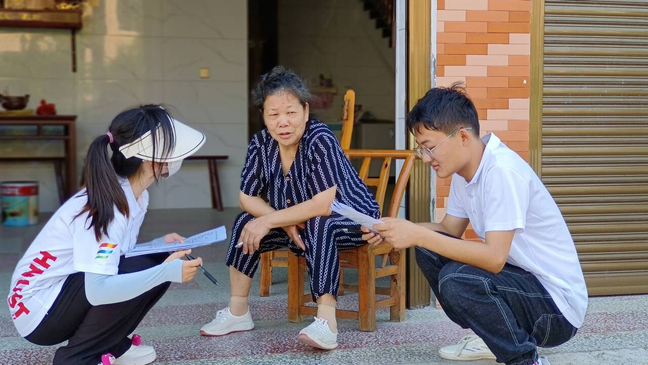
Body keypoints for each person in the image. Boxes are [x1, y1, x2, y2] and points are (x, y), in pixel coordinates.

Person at [362, 83, 588, 365]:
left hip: (555, 310)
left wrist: (416, 233)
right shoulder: (465, 172)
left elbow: (494, 259)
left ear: (463, 136)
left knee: (456, 280)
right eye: (421, 149)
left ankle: (525, 360)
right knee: (429, 250)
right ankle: (492, 336)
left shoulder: (501, 172)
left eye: (430, 147)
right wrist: (395, 228)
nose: (426, 158)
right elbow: (448, 231)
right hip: (524, 285)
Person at [7, 105, 206, 365]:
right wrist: (166, 272)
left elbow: (115, 254)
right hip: (40, 314)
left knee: (158, 257)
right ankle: (77, 358)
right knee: (158, 267)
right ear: (151, 158)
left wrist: (159, 246)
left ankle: (112, 344)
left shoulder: (134, 194)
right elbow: (99, 290)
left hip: (55, 297)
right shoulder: (109, 206)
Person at [199, 66, 380, 350]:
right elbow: (247, 198)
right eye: (274, 114)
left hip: (351, 220)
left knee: (320, 222)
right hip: (297, 223)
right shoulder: (261, 143)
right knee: (245, 220)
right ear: (264, 116)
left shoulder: (319, 138)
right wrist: (279, 221)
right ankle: (237, 312)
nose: (283, 122)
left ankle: (326, 322)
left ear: (306, 112)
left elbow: (323, 205)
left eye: (291, 112)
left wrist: (271, 220)